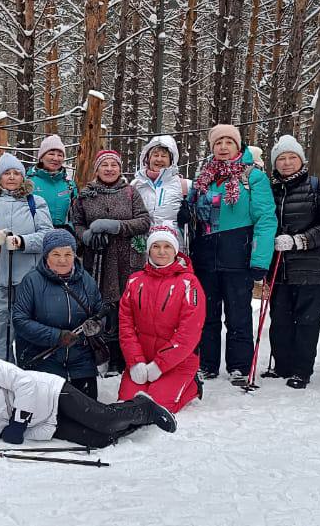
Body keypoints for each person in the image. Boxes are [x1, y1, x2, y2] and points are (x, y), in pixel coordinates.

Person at [0, 341, 176, 449]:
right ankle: (132, 419)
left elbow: (23, 381)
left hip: (49, 394)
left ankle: (142, 407)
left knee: (105, 420)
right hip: (41, 424)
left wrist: (18, 422)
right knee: (101, 439)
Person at [182, 124, 278, 386]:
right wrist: (185, 210)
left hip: (238, 254)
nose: (223, 147)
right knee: (207, 315)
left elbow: (266, 219)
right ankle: (206, 363)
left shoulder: (253, 177)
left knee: (238, 315)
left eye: (229, 142)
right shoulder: (205, 176)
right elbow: (193, 211)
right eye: (218, 142)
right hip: (205, 256)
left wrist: (260, 259)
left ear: (238, 146)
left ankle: (239, 366)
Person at [265, 136, 320, 389]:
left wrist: (300, 240)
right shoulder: (271, 190)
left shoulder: (318, 187)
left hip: (312, 267)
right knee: (280, 319)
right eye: (281, 159)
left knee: (306, 320)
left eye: (292, 157)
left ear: (301, 160)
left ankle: (301, 370)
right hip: (280, 267)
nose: (287, 163)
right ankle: (282, 365)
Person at [70, 149, 151, 373]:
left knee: (124, 307)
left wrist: (117, 226)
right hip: (98, 258)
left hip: (126, 260)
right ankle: (98, 352)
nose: (109, 169)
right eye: (104, 165)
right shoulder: (85, 195)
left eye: (113, 165)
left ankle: (120, 356)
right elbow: (76, 223)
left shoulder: (130, 192)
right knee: (100, 305)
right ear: (96, 170)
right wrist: (86, 236)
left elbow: (144, 221)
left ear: (120, 168)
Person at [0, 153, 53, 362]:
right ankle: (4, 368)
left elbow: (47, 236)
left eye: (17, 173)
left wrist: (22, 242)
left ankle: (29, 367)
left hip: (29, 278)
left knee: (29, 326)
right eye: (7, 173)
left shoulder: (36, 202)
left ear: (23, 177)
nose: (12, 177)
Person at [117, 227, 205, 413]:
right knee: (127, 404)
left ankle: (192, 386)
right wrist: (135, 361)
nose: (161, 251)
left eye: (167, 246)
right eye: (156, 246)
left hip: (178, 361)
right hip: (143, 357)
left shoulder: (189, 283)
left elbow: (189, 333)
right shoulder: (134, 281)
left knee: (156, 408)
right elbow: (126, 326)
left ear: (175, 250)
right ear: (148, 250)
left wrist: (160, 364)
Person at [12, 228, 106, 397]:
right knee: (49, 409)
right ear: (46, 256)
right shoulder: (32, 281)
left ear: (74, 255)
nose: (62, 260)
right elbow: (20, 321)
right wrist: (56, 336)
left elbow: (100, 311)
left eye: (68, 254)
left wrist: (97, 325)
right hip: (43, 360)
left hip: (81, 361)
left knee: (87, 408)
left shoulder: (86, 280)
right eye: (56, 254)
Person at [132, 135, 190, 230]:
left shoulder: (185, 185)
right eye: (155, 155)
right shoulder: (136, 185)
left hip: (173, 238)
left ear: (171, 160)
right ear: (148, 159)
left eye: (164, 156)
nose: (159, 159)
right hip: (142, 238)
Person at [27, 134, 77, 230]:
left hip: (61, 236)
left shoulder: (69, 185)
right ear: (41, 157)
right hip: (34, 235)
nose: (56, 158)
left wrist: (69, 229)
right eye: (51, 154)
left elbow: (77, 216)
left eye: (60, 155)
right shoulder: (28, 183)